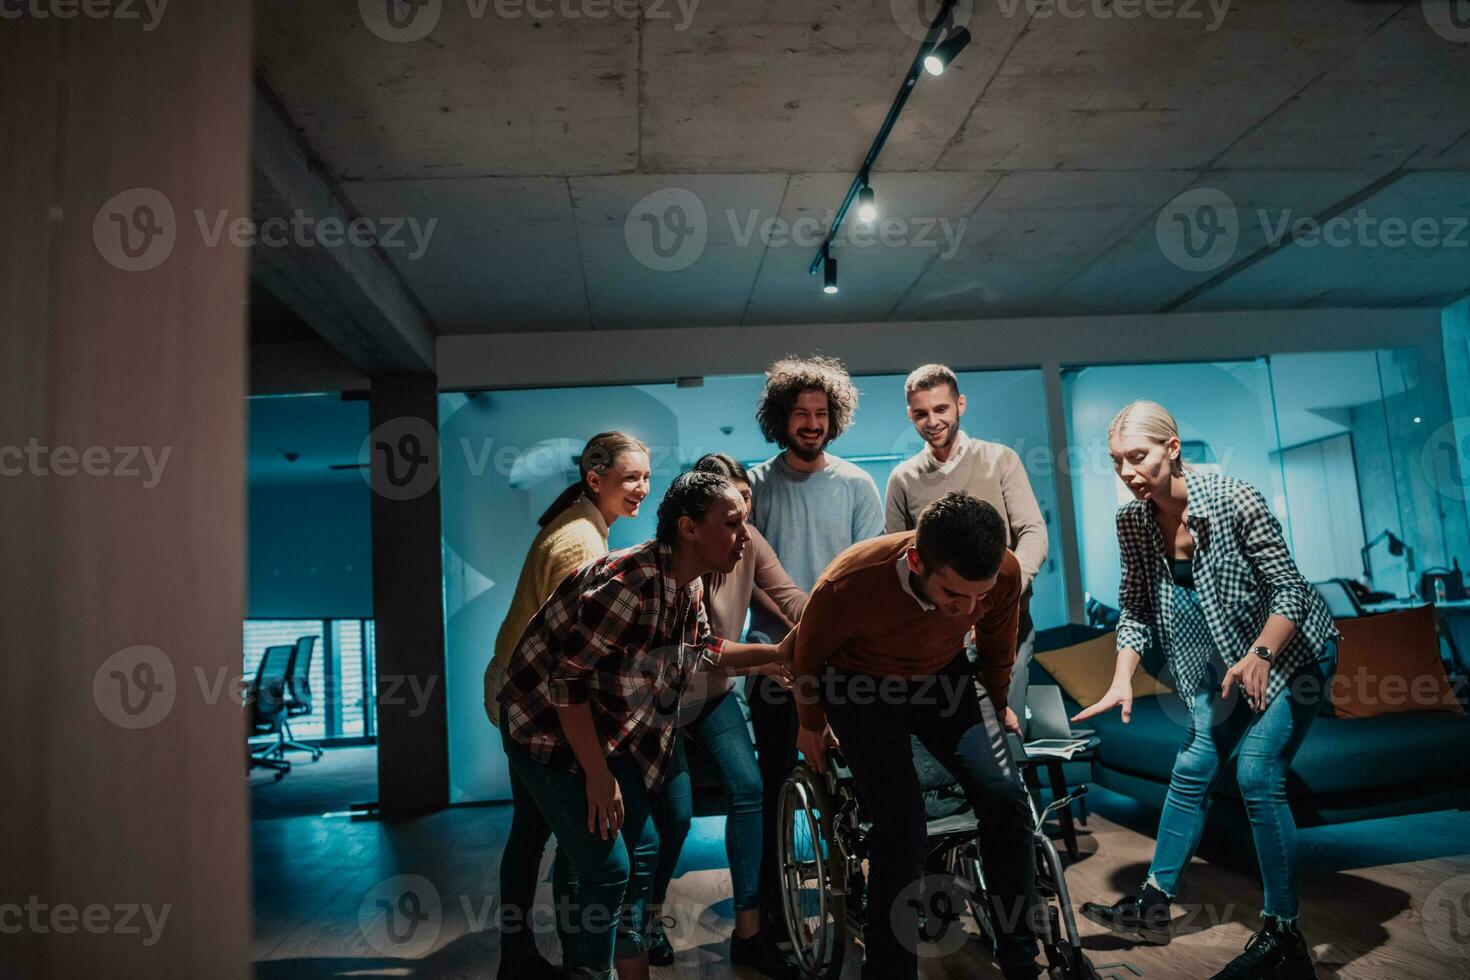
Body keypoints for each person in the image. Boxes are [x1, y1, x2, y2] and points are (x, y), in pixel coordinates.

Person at [1074, 401, 1338, 980]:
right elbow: (1137, 609)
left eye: (1137, 456)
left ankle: (1284, 938)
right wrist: (1121, 676)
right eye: (1117, 461)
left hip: (1293, 652)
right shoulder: (1134, 520)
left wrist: (1261, 654)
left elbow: (1291, 590)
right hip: (1224, 663)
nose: (1127, 471)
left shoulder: (1233, 497)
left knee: (1257, 774)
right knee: (1194, 765)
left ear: (1173, 449)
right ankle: (1152, 904)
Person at [498, 471, 793, 980]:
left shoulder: (686, 583)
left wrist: (775, 655)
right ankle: (588, 970)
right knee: (606, 865)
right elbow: (565, 683)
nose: (745, 536)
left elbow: (701, 650)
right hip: (542, 727)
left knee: (629, 847)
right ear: (689, 528)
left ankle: (588, 962)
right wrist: (597, 775)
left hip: (601, 725)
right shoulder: (631, 586)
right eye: (732, 523)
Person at [791, 492, 1046, 980]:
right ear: (915, 561)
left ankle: (1018, 957)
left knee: (1006, 794)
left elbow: (996, 645)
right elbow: (807, 658)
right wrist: (810, 723)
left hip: (942, 679)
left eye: (979, 594)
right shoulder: (849, 581)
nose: (966, 609)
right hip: (860, 688)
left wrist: (995, 706)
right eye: (954, 595)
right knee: (902, 826)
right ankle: (889, 970)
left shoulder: (1005, 572)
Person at [485, 432, 651, 979]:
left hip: (517, 696)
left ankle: (518, 959)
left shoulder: (581, 527)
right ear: (595, 480)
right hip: (533, 707)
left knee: (530, 833)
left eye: (647, 478)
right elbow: (571, 663)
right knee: (588, 852)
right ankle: (571, 964)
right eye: (631, 478)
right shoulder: (581, 544)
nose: (642, 489)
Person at [643, 453, 807, 975]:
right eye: (731, 510)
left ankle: (750, 932)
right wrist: (767, 659)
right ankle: (646, 921)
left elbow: (790, 597)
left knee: (749, 786)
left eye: (746, 504)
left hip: (712, 694)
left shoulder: (748, 544)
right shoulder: (674, 564)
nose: (742, 519)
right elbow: (697, 648)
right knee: (675, 819)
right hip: (663, 701)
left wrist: (835, 623)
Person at [744, 354, 884, 927]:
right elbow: (744, 572)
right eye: (799, 412)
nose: (811, 422)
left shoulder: (856, 483)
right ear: (781, 418)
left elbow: (870, 575)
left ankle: (859, 891)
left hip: (848, 663)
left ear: (835, 417)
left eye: (821, 413)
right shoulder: (753, 483)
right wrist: (795, 634)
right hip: (775, 663)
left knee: (859, 786)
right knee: (776, 786)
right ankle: (774, 911)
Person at [884, 363, 1049, 720]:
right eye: (920, 413)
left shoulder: (1000, 460)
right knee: (953, 737)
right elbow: (898, 561)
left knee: (1005, 725)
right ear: (910, 414)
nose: (931, 421)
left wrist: (1003, 595)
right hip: (939, 635)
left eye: (940, 409)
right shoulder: (902, 479)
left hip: (1008, 623)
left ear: (960, 404)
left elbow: (1033, 533)